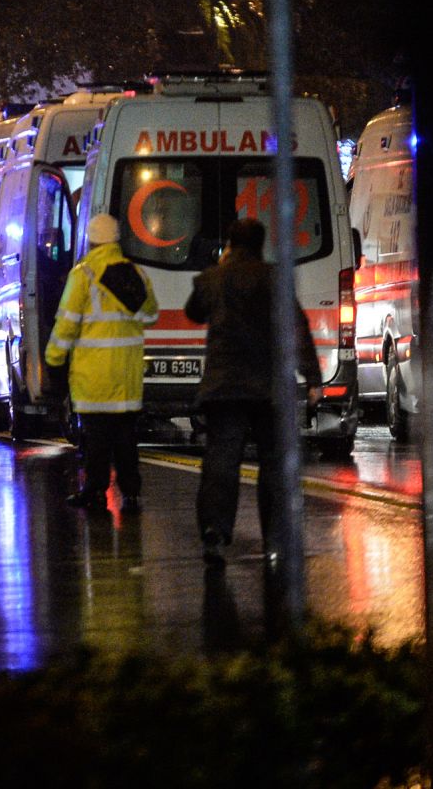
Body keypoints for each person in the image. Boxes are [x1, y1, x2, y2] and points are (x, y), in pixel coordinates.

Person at [184, 217, 321, 566]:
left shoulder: (214, 278)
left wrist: (220, 266)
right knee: (273, 462)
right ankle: (275, 537)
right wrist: (313, 379)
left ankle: (214, 530)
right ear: (261, 244)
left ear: (230, 242)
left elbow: (194, 312)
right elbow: (297, 328)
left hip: (224, 386)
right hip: (269, 386)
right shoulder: (275, 278)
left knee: (221, 459)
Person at [45, 212, 158, 513]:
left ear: (92, 241)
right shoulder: (135, 273)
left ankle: (95, 490)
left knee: (96, 439)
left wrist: (53, 360)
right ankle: (131, 492)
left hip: (93, 376)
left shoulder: (83, 275)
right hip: (127, 375)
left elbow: (66, 325)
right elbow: (150, 315)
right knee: (125, 438)